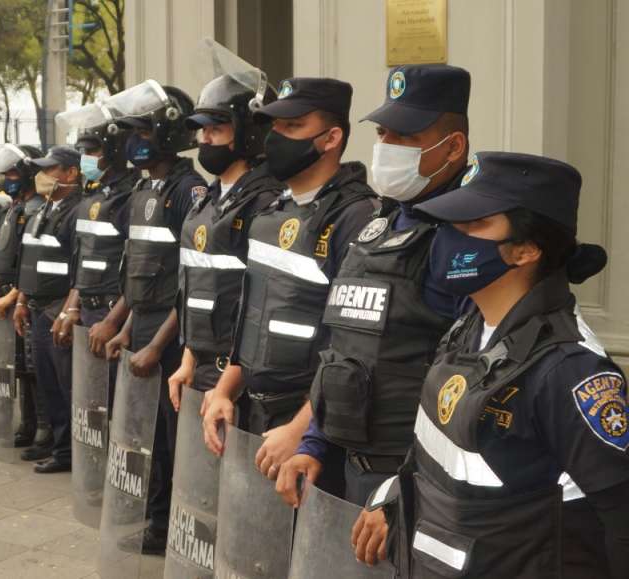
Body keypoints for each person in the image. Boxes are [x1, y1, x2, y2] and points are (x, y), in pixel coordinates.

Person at [351, 151, 628, 579]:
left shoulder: (570, 369)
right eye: (450, 223)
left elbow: (618, 519)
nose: (449, 238)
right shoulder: (468, 329)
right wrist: (394, 498)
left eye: (473, 225)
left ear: (526, 250)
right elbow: (438, 454)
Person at [279, 64, 473, 507]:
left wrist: (405, 489)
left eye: (405, 137)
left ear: (453, 147)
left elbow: (467, 386)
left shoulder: (466, 242)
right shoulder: (381, 222)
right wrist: (313, 444)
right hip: (348, 467)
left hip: (415, 484)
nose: (387, 147)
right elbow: (346, 349)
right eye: (384, 133)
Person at [201, 78, 379, 494]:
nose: (276, 138)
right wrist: (226, 388)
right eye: (274, 127)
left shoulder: (357, 218)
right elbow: (254, 313)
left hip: (312, 427)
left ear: (331, 138)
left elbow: (353, 348)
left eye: (293, 127)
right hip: (255, 416)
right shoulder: (271, 210)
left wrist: (302, 429)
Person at [102, 81, 207, 555]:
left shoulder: (188, 191)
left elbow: (189, 281)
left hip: (170, 334)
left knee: (169, 440)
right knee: (142, 433)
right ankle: (150, 513)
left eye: (142, 129)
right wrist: (124, 329)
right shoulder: (145, 188)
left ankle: (165, 526)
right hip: (142, 329)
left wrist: (155, 345)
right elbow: (136, 271)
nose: (133, 140)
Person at [169, 73, 281, 403]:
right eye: (202, 130)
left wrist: (225, 386)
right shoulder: (209, 199)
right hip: (201, 368)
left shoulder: (266, 203)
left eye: (216, 129)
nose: (205, 139)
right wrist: (188, 360)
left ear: (248, 133)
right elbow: (197, 286)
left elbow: (258, 305)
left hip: (237, 377)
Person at [12, 146, 83, 473]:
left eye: (51, 169)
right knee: (46, 383)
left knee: (64, 385)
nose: (43, 176)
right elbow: (31, 260)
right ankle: (59, 447)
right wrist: (22, 301)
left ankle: (69, 453)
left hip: (58, 309)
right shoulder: (44, 209)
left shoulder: (77, 211)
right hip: (38, 307)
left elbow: (81, 267)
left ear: (70, 173)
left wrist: (67, 311)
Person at [0, 144, 51, 451]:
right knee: (20, 366)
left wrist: (15, 296)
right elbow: (7, 260)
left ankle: (44, 431)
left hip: (25, 299)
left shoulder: (35, 210)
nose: (7, 179)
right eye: (5, 174)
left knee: (35, 369)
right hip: (8, 294)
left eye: (12, 173)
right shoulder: (13, 209)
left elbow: (31, 264)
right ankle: (29, 424)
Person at [55, 103, 138, 343]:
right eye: (82, 152)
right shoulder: (96, 195)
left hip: (114, 313)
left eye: (92, 151)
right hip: (88, 311)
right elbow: (85, 261)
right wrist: (70, 308)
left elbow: (137, 272)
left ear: (114, 150)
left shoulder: (129, 197)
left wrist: (112, 321)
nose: (85, 159)